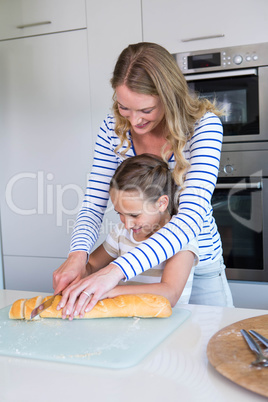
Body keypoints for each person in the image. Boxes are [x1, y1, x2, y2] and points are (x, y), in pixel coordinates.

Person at [53, 42, 233, 316]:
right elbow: (93, 204)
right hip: (138, 262)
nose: (134, 121)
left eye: (145, 110)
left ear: (168, 96)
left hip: (200, 263)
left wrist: (115, 271)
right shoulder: (112, 129)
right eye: (124, 107)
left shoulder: (203, 127)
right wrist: (78, 257)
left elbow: (190, 217)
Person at [63, 154, 199, 319]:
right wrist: (76, 275)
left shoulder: (182, 240)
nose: (127, 224)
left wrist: (110, 291)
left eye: (134, 215)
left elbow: (170, 293)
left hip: (170, 324)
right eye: (120, 213)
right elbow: (91, 265)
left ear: (162, 203)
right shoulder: (121, 233)